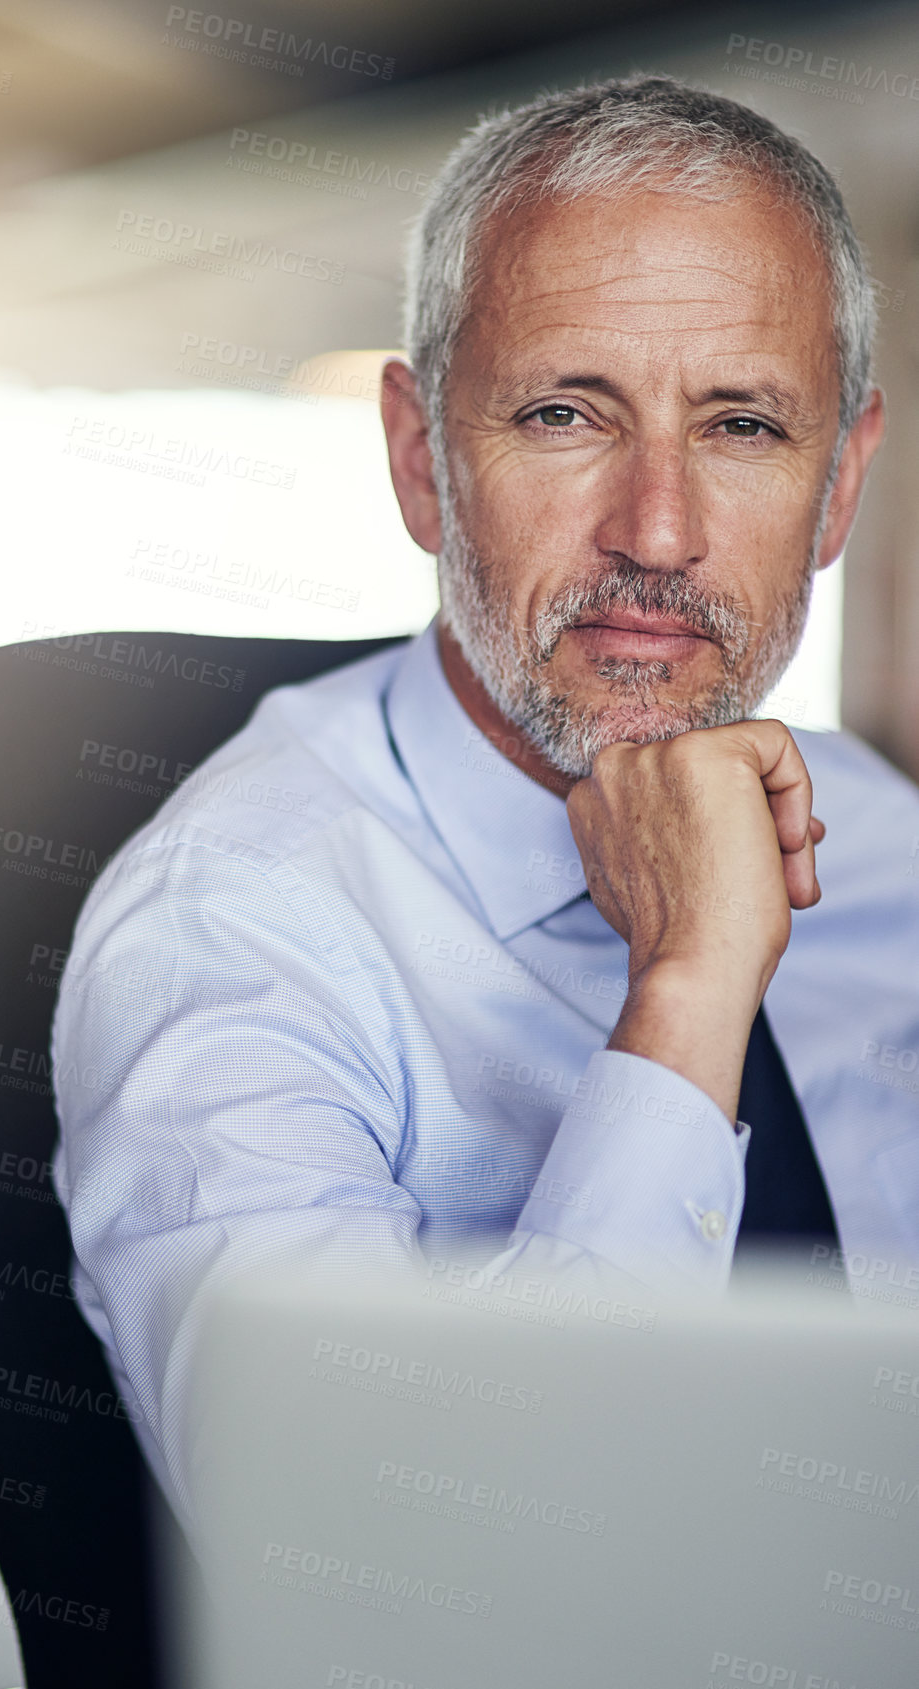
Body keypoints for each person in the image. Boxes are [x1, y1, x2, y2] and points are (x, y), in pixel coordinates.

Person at [51, 75, 919, 1530]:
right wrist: (691, 993)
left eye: (743, 428)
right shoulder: (230, 926)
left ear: (840, 489)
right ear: (422, 460)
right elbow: (378, 1554)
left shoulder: (887, 841)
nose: (659, 531)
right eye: (566, 412)